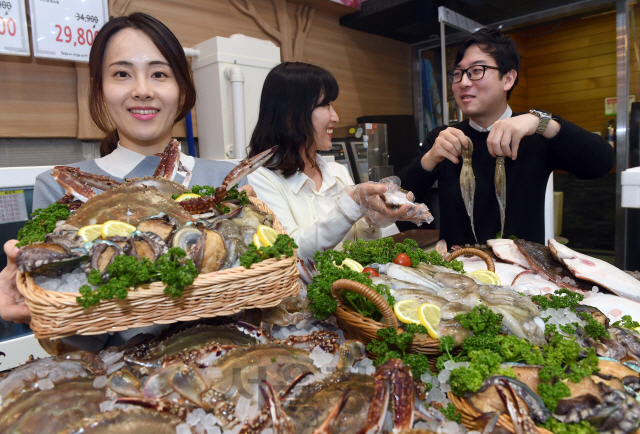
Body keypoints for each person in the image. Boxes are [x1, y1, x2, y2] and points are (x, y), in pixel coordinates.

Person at [0, 13, 253, 345]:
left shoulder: (223, 180)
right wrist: (34, 287)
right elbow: (79, 334)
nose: (142, 90)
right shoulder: (56, 185)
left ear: (182, 89)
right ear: (100, 89)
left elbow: (253, 301)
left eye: (159, 74)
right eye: (122, 74)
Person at [398, 27, 615, 246]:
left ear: (508, 79)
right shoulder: (443, 138)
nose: (463, 82)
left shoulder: (534, 135)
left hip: (523, 272)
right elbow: (399, 202)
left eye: (476, 70)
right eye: (458, 73)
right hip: (459, 272)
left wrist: (541, 122)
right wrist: (431, 158)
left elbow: (601, 163)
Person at [247, 62, 424, 261]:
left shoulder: (337, 172)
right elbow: (292, 254)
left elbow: (358, 254)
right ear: (291, 113)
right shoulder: (260, 180)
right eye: (326, 105)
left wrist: (373, 221)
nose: (336, 117)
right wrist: (353, 202)